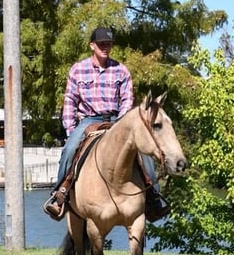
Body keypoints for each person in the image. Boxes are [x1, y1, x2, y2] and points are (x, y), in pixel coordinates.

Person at [42, 26, 171, 221]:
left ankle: (153, 197)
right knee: (69, 150)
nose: (105, 47)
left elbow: (127, 100)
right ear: (92, 45)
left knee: (144, 153)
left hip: (116, 120)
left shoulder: (121, 70)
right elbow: (70, 101)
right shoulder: (78, 70)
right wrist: (70, 129)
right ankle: (60, 195)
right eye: (102, 44)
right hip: (88, 121)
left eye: (108, 44)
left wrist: (121, 124)